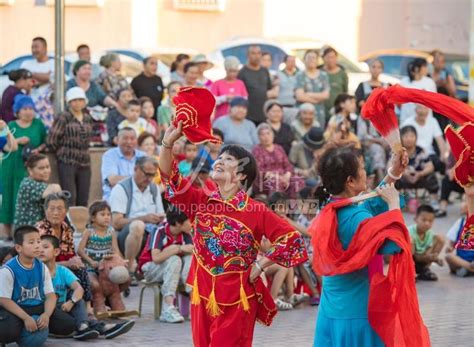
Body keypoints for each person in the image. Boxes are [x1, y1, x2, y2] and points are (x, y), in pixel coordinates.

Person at [159, 121, 308, 346]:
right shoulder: (201, 201)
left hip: (238, 297)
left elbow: (292, 240)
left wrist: (260, 266)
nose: (219, 161)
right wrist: (167, 144)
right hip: (202, 293)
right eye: (220, 157)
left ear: (240, 176)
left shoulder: (256, 210)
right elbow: (170, 178)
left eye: (228, 159)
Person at [312, 145, 409, 347]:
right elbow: (394, 245)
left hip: (331, 311)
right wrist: (394, 206)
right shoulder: (356, 218)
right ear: (350, 181)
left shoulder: (330, 207)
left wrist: (393, 174)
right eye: (363, 168)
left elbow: (367, 204)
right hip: (358, 314)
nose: (367, 172)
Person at [40, 234, 135, 340]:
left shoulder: (62, 271)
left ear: (56, 252)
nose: (41, 250)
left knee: (76, 298)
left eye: (45, 247)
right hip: (49, 312)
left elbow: (79, 289)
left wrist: (71, 302)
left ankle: (85, 327)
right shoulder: (36, 272)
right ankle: (100, 327)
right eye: (38, 248)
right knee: (74, 320)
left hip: (64, 309)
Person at [0, 226, 75, 346]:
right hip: (15, 308)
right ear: (19, 247)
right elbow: (4, 300)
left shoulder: (41, 267)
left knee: (68, 324)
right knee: (6, 333)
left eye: (38, 241)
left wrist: (46, 315)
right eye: (31, 242)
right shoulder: (8, 270)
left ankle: (36, 329)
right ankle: (21, 331)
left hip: (36, 306)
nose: (37, 245)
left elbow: (50, 296)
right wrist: (25, 318)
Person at [36, 192, 94, 314]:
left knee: (81, 269)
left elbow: (70, 252)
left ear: (66, 211)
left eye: (60, 209)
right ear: (45, 210)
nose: (56, 213)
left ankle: (87, 306)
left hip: (62, 265)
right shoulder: (41, 229)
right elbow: (41, 259)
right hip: (45, 268)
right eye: (52, 209)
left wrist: (75, 260)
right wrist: (68, 263)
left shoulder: (66, 228)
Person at [109, 156, 165, 279]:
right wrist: (144, 218)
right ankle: (130, 269)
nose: (149, 178)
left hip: (150, 234)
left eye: (152, 175)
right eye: (146, 174)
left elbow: (161, 214)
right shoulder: (121, 188)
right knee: (138, 226)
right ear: (136, 169)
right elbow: (116, 223)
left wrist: (160, 218)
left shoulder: (154, 188)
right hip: (126, 236)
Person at [0, 94, 47, 238]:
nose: (28, 111)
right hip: (10, 167)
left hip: (27, 167)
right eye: (24, 109)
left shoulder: (38, 124)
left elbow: (46, 141)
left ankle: (20, 234)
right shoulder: (12, 125)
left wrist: (38, 149)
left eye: (30, 108)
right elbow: (10, 147)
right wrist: (17, 138)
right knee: (7, 198)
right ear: (17, 111)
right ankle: (5, 234)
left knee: (21, 198)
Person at [137, 205, 193, 323]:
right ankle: (168, 308)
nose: (193, 222)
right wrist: (177, 248)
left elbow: (195, 250)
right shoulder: (160, 231)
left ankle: (195, 301)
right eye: (190, 219)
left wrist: (181, 249)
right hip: (150, 269)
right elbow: (156, 258)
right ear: (178, 223)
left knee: (190, 258)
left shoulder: (185, 233)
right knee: (174, 259)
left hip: (172, 270)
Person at [48, 87, 93, 207]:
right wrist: (62, 152)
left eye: (80, 100)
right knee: (70, 197)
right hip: (67, 161)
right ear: (69, 102)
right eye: (74, 100)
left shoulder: (88, 118)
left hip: (85, 162)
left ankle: (81, 224)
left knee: (83, 198)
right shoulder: (64, 117)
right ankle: (68, 224)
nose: (77, 103)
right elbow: (52, 139)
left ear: (84, 101)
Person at [252, 123, 303, 198]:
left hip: (284, 177)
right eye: (262, 135)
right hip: (266, 180)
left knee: (298, 181)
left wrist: (287, 175)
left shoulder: (279, 148)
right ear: (259, 137)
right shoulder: (256, 150)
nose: (266, 137)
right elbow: (258, 170)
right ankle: (277, 207)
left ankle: (295, 207)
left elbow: (287, 165)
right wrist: (278, 178)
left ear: (273, 135)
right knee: (275, 182)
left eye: (268, 133)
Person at [14, 154, 61, 227]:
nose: (46, 171)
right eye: (41, 168)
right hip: (29, 231)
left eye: (48, 167)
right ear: (30, 170)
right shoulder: (28, 184)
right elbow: (53, 189)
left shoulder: (38, 182)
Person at [396, 126, 439, 205]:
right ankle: (396, 203)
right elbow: (390, 166)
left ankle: (434, 202)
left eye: (412, 136)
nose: (409, 139)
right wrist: (404, 174)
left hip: (418, 177)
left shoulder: (421, 150)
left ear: (416, 138)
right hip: (403, 178)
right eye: (406, 136)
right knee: (393, 177)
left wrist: (420, 174)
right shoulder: (398, 151)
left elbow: (430, 166)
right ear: (401, 138)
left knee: (431, 175)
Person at [101, 127, 146, 201]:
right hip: (114, 198)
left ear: (136, 141)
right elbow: (112, 181)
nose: (129, 142)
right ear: (117, 140)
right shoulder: (109, 155)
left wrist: (122, 179)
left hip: (138, 199)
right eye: (125, 138)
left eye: (132, 138)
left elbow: (147, 180)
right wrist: (138, 179)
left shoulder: (143, 156)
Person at [401, 103, 448, 172]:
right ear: (415, 110)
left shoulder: (433, 121)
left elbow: (440, 141)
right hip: (413, 154)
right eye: (420, 108)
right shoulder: (408, 122)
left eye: (425, 108)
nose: (423, 111)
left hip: (430, 155)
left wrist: (443, 156)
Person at [238, 45, 278, 125]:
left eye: (259, 53)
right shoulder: (242, 73)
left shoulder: (264, 71)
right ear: (248, 55)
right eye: (253, 53)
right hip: (248, 116)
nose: (256, 56)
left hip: (264, 115)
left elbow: (269, 89)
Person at [408, 205, 445, 281]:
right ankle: (410, 272)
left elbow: (428, 251)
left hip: (421, 260)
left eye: (430, 221)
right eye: (424, 220)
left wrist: (434, 258)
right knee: (410, 241)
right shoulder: (409, 232)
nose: (427, 223)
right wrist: (427, 257)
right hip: (410, 260)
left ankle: (424, 269)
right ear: (415, 219)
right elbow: (413, 255)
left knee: (440, 239)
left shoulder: (430, 234)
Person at [295, 49, 330, 128]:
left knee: (318, 135)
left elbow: (326, 95)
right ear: (304, 60)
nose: (311, 60)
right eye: (309, 57)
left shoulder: (323, 75)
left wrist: (308, 94)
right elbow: (299, 96)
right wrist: (317, 99)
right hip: (303, 113)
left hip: (318, 113)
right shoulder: (300, 75)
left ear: (317, 60)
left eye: (314, 58)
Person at [210, 56, 248, 120]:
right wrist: (225, 98)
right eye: (230, 71)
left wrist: (237, 98)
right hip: (221, 117)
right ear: (226, 70)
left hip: (237, 118)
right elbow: (211, 100)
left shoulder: (240, 83)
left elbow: (245, 100)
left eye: (235, 71)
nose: (233, 74)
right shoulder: (218, 83)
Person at [399, 58, 437, 123]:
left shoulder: (430, 82)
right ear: (416, 68)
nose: (426, 69)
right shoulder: (404, 82)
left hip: (425, 121)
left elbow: (435, 100)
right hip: (407, 119)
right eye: (424, 66)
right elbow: (399, 101)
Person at [20, 37, 54, 102]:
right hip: (30, 104)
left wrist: (31, 74)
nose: (34, 50)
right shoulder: (26, 64)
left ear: (45, 48)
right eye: (32, 47)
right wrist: (46, 78)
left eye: (36, 47)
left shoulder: (54, 63)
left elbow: (54, 79)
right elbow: (23, 83)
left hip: (48, 105)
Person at [445, 201, 474, 276]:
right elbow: (451, 243)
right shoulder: (460, 222)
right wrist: (449, 247)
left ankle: (466, 270)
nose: (463, 205)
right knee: (449, 256)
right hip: (461, 259)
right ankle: (469, 268)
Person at [430, 50, 457, 131]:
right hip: (431, 111)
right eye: (437, 61)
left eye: (442, 61)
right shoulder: (428, 75)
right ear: (433, 62)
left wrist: (445, 84)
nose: (440, 64)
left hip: (444, 111)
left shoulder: (446, 74)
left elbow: (453, 92)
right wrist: (435, 83)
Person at [321, 47, 349, 120]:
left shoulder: (342, 74)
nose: (330, 60)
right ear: (323, 58)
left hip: (337, 111)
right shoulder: (319, 72)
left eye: (333, 57)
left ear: (336, 58)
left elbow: (345, 93)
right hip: (321, 110)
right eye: (328, 57)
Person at [277, 55, 299, 122]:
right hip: (282, 105)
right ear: (285, 62)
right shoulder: (278, 74)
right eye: (289, 61)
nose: (291, 63)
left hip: (295, 106)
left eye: (293, 61)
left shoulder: (299, 75)